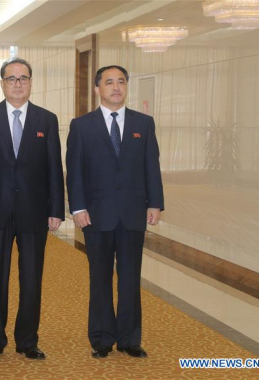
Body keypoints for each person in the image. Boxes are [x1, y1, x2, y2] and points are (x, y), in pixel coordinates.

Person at [66, 65, 164, 359]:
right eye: (109, 82)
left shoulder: (143, 123)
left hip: (133, 213)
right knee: (99, 278)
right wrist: (78, 207)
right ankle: (101, 338)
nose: (116, 87)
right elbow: (75, 171)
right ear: (97, 89)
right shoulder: (81, 125)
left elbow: (151, 166)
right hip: (96, 214)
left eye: (121, 82)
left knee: (131, 277)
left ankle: (130, 338)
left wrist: (155, 203)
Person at [0, 57, 64, 361]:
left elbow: (53, 168)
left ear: (31, 82)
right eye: (12, 79)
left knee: (32, 277)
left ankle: (28, 340)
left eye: (23, 78)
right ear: (2, 84)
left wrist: (56, 210)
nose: (18, 84)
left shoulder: (46, 119)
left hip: (34, 212)